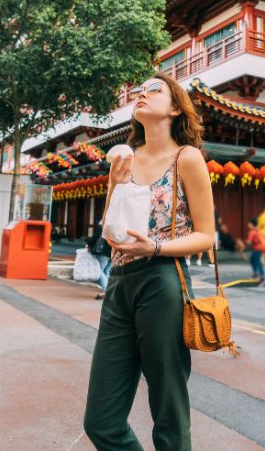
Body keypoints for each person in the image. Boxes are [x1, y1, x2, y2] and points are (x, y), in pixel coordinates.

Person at [83, 73, 216, 450]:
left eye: (153, 89)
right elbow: (111, 228)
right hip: (120, 283)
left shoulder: (186, 158)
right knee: (101, 422)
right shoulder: (125, 158)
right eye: (139, 91)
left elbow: (206, 236)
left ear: (175, 107)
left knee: (168, 411)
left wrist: (155, 248)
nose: (142, 94)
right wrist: (115, 184)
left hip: (163, 280)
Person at [86, 236, 112, 301]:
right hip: (113, 252)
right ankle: (109, 290)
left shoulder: (103, 226)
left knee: (99, 271)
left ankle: (105, 291)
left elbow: (94, 238)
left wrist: (87, 241)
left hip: (104, 251)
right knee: (106, 271)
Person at [244, 219, 265, 286]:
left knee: (257, 262)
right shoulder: (257, 230)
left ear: (252, 224)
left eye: (249, 223)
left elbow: (249, 242)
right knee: (252, 260)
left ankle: (263, 278)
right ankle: (256, 274)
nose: (248, 225)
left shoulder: (252, 232)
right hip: (260, 248)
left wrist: (245, 242)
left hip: (257, 248)